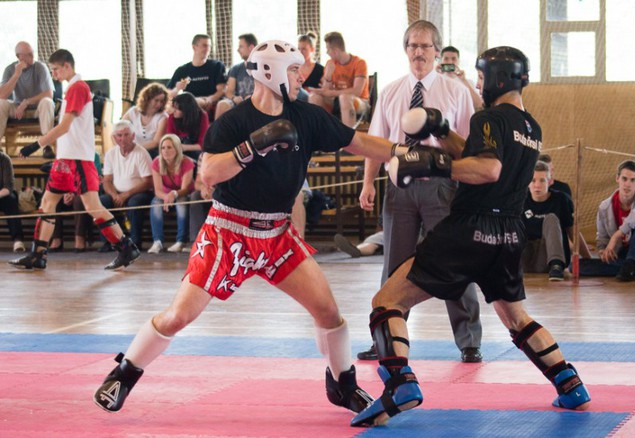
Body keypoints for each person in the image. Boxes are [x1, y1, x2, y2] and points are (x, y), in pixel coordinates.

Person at [93, 39, 414, 417]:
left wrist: (405, 153)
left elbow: (358, 142)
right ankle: (124, 373)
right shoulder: (234, 122)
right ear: (270, 72)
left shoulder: (306, 115)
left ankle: (342, 385)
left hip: (276, 234)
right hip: (228, 230)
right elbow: (209, 174)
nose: (301, 78)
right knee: (179, 315)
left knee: (328, 312)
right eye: (293, 70)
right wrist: (252, 147)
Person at [351, 46, 591, 428]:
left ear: (497, 78)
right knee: (516, 317)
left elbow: (488, 168)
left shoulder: (488, 117)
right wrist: (441, 132)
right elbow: (479, 155)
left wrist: (434, 163)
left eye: (481, 77)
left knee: (386, 301)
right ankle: (570, 383)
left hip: (470, 230)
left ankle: (400, 384)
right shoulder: (531, 127)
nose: (478, 85)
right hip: (508, 233)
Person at [358, 20, 482, 364]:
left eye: (425, 46)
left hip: (442, 187)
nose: (418, 52)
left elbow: (468, 147)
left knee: (454, 259)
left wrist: (467, 185)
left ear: (437, 52)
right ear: (405, 49)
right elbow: (375, 142)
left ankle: (469, 340)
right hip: (399, 188)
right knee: (394, 266)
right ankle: (385, 338)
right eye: (413, 45)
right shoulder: (391, 91)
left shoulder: (455, 91)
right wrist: (367, 182)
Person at [8, 49, 140, 271]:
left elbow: (65, 126)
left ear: (67, 66)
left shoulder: (78, 88)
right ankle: (38, 254)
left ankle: (126, 248)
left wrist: (36, 145)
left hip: (78, 160)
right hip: (66, 160)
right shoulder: (72, 89)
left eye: (56, 70)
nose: (54, 74)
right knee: (47, 203)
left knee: (93, 206)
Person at [579, 160, 635, 281]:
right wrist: (602, 251)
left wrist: (617, 234)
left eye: (632, 180)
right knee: (576, 266)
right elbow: (602, 238)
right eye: (624, 179)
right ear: (617, 178)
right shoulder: (605, 207)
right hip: (623, 254)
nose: (628, 184)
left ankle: (631, 265)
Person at [99, 121, 153, 252]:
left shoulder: (141, 153)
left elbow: (148, 182)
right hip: (117, 193)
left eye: (126, 135)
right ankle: (109, 241)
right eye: (119, 135)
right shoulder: (111, 154)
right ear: (114, 137)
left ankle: (135, 241)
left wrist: (126, 195)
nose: (122, 139)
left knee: (134, 202)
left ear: (133, 136)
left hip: (139, 192)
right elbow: (107, 181)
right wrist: (115, 195)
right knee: (103, 201)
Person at [522, 161, 576, 280]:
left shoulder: (561, 200)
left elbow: (572, 231)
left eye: (542, 180)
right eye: (533, 180)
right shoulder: (521, 199)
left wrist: (586, 257)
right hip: (526, 257)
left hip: (547, 257)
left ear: (550, 182)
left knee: (551, 218)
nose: (537, 185)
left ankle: (556, 265)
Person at [0, 41, 55, 154]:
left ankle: (47, 146)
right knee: (1, 103)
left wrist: (27, 102)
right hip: (18, 109)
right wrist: (16, 74)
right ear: (19, 57)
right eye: (28, 55)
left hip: (37, 109)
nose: (32, 56)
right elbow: (2, 95)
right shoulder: (10, 69)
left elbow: (49, 94)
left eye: (32, 53)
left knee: (47, 101)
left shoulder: (40, 67)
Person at [308, 32, 370, 127]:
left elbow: (357, 91)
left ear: (336, 51)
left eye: (328, 49)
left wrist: (332, 93)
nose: (327, 53)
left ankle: (348, 134)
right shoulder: (330, 63)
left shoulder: (359, 63)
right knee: (314, 97)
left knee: (344, 98)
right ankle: (321, 133)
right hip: (337, 100)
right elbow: (326, 91)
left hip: (360, 102)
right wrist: (328, 76)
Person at [148, 134, 195, 253]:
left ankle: (181, 241)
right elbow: (157, 190)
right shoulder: (156, 162)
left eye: (169, 147)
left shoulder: (187, 162)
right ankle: (157, 241)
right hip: (165, 194)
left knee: (181, 203)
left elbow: (185, 189)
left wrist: (173, 194)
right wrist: (167, 197)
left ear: (177, 149)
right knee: (155, 203)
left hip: (182, 193)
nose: (165, 151)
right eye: (163, 148)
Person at [50, 152, 103, 253]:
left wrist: (74, 192)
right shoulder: (63, 155)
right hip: (66, 191)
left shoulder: (92, 155)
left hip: (85, 191)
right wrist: (65, 192)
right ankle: (56, 238)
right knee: (54, 199)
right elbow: (59, 177)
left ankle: (79, 238)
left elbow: (93, 178)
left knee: (79, 199)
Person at [167, 34, 227, 116]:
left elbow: (222, 90)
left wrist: (210, 99)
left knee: (187, 104)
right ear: (194, 47)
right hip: (187, 103)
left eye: (209, 46)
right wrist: (177, 88)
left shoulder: (217, 66)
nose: (207, 49)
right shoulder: (182, 70)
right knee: (168, 107)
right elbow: (168, 93)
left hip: (206, 101)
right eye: (204, 46)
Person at [214, 34, 257, 120]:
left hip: (257, 100)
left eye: (241, 46)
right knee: (222, 104)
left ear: (251, 47)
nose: (237, 50)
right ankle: (215, 129)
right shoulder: (236, 68)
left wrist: (253, 97)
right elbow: (229, 92)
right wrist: (234, 98)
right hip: (238, 101)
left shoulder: (263, 67)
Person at [122, 82, 168, 159]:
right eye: (156, 100)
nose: (159, 104)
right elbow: (118, 129)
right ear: (148, 99)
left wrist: (133, 149)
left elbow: (156, 142)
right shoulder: (134, 111)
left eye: (161, 101)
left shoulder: (163, 117)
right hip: (133, 150)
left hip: (152, 152)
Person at [437, 45, 484, 111]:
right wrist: (435, 75)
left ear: (459, 61)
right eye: (446, 59)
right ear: (441, 61)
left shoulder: (468, 82)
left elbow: (479, 105)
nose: (450, 62)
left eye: (453, 59)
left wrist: (464, 81)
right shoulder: (436, 80)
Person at [166, 92, 209, 162]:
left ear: (186, 110)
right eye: (173, 107)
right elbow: (169, 139)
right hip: (176, 149)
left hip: (194, 150)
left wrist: (183, 147)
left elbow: (203, 144)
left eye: (177, 109)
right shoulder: (172, 117)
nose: (174, 111)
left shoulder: (202, 116)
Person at [0, 149, 24, 252]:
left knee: (11, 199)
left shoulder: (4, 159)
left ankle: (17, 240)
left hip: (3, 195)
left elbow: (8, 188)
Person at [188, 151, 212, 240]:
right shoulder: (203, 155)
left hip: (225, 190)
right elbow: (197, 183)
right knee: (195, 196)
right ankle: (197, 238)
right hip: (209, 189)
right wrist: (203, 188)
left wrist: (215, 191)